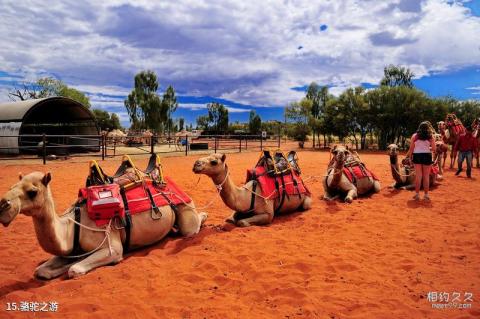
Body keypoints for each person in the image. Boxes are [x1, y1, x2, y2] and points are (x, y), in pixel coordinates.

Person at [406, 121, 436, 201]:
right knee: (426, 177)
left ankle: (417, 194)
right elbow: (434, 149)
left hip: (417, 156)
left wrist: (409, 157)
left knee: (418, 176)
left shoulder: (414, 136)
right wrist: (428, 148)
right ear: (428, 128)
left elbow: (411, 148)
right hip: (427, 155)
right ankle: (426, 195)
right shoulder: (430, 136)